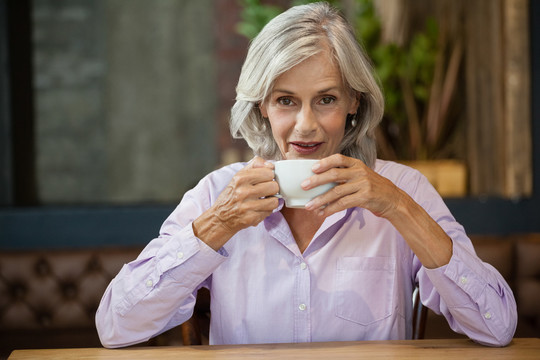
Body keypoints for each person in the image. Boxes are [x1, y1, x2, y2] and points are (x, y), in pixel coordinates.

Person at [95, 2, 516, 347]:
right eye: (285, 101)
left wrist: (397, 207)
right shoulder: (218, 194)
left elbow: (496, 327)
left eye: (326, 99)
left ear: (354, 101)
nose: (305, 126)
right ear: (261, 104)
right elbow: (117, 326)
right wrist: (217, 224)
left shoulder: (402, 190)